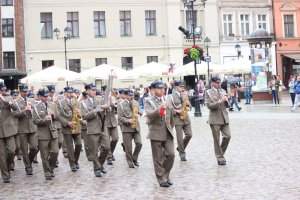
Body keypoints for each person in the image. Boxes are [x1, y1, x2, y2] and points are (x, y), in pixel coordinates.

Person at [144, 81, 175, 188]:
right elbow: (149, 115)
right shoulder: (148, 101)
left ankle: (166, 175)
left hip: (167, 131)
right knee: (158, 158)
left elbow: (171, 116)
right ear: (153, 90)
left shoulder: (166, 99)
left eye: (163, 88)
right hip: (156, 131)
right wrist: (160, 108)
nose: (162, 90)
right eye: (159, 89)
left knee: (171, 154)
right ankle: (161, 179)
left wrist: (171, 127)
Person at [80, 83, 110, 177]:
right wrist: (95, 111)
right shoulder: (83, 103)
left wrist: (107, 107)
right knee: (94, 150)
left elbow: (107, 108)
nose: (94, 91)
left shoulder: (100, 99)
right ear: (87, 91)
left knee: (106, 147)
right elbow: (84, 116)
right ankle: (97, 169)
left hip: (102, 126)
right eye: (92, 90)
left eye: (94, 90)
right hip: (92, 128)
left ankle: (100, 164)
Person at [32, 88, 59, 180]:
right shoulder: (36, 106)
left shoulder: (52, 105)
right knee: (45, 155)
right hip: (43, 134)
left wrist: (53, 115)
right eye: (44, 96)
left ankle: (51, 169)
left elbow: (57, 116)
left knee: (55, 152)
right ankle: (47, 172)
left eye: (47, 96)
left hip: (53, 132)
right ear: (39, 96)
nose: (46, 98)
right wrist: (44, 120)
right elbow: (35, 120)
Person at [12, 85, 38, 176]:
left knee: (35, 148)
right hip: (22, 129)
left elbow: (37, 112)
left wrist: (33, 108)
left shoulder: (32, 100)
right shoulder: (15, 102)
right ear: (20, 91)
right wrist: (24, 110)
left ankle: (29, 162)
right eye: (23, 91)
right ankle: (28, 167)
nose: (25, 93)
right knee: (24, 150)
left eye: (26, 91)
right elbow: (15, 114)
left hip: (32, 127)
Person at [205, 77, 231, 165]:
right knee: (216, 139)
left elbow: (227, 105)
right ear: (212, 83)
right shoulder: (208, 92)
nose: (219, 84)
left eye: (219, 82)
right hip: (215, 119)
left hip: (224, 118)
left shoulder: (223, 91)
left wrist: (227, 101)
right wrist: (220, 101)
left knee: (227, 136)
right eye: (217, 83)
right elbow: (209, 106)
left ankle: (220, 153)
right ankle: (220, 157)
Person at [57, 87, 82, 172]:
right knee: (70, 147)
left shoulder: (76, 101)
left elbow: (79, 115)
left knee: (79, 144)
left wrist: (80, 115)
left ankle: (75, 160)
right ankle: (72, 164)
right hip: (67, 127)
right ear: (65, 94)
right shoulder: (60, 103)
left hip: (76, 126)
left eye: (72, 92)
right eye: (69, 93)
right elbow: (59, 116)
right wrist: (67, 123)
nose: (71, 94)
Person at [117, 89, 142, 168]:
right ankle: (130, 162)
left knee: (139, 143)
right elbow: (120, 118)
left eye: (132, 95)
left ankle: (134, 158)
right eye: (130, 95)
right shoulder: (121, 104)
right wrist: (128, 120)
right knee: (128, 147)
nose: (131, 97)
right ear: (125, 95)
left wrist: (139, 112)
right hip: (127, 128)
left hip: (136, 127)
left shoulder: (136, 102)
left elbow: (140, 112)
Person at [168, 81, 192, 161]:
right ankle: (182, 154)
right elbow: (170, 108)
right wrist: (176, 111)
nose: (182, 88)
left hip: (186, 118)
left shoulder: (185, 95)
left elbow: (190, 107)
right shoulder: (171, 96)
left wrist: (188, 104)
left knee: (189, 135)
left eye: (183, 87)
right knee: (180, 138)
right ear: (176, 87)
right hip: (177, 119)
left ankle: (180, 148)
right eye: (181, 87)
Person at [0, 83, 18, 183]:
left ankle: (6, 168)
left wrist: (4, 100)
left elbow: (15, 107)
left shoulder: (8, 98)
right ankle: (5, 175)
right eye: (1, 90)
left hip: (9, 129)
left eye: (4, 90)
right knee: (2, 155)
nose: (3, 92)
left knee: (11, 151)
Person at [105, 90, 119, 165]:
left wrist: (115, 105)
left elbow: (117, 109)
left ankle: (111, 153)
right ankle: (109, 157)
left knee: (115, 138)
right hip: (105, 122)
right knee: (106, 141)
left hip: (113, 122)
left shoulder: (113, 99)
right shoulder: (102, 100)